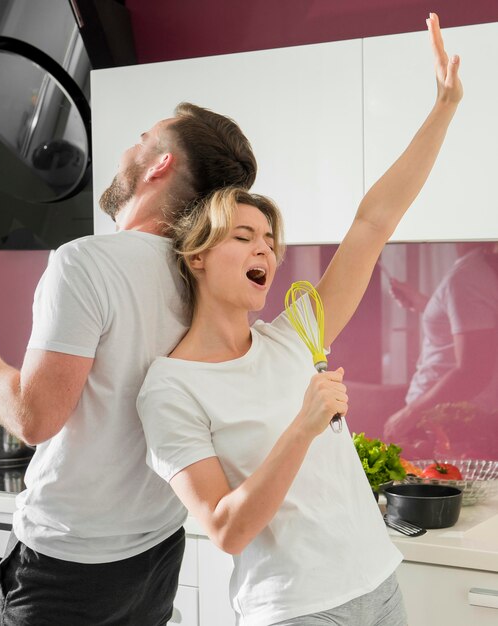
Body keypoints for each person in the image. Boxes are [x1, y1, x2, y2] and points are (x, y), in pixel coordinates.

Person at [137, 14, 462, 625]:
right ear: (198, 254)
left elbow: (373, 223)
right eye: (244, 236)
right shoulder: (170, 387)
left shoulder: (295, 337)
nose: (265, 250)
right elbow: (225, 529)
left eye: (269, 238)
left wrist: (444, 107)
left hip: (380, 586)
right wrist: (304, 426)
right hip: (297, 611)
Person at [0, 102, 257, 625]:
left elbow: (33, 419)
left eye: (142, 137)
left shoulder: (85, 262)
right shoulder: (203, 277)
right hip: (156, 551)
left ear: (159, 164)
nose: (129, 148)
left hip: (66, 562)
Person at [383, 242, 498, 459]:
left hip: (445, 426)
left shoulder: (467, 277)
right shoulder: (479, 269)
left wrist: (410, 413)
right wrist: (426, 305)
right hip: (448, 422)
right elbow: (473, 327)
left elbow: (474, 371)